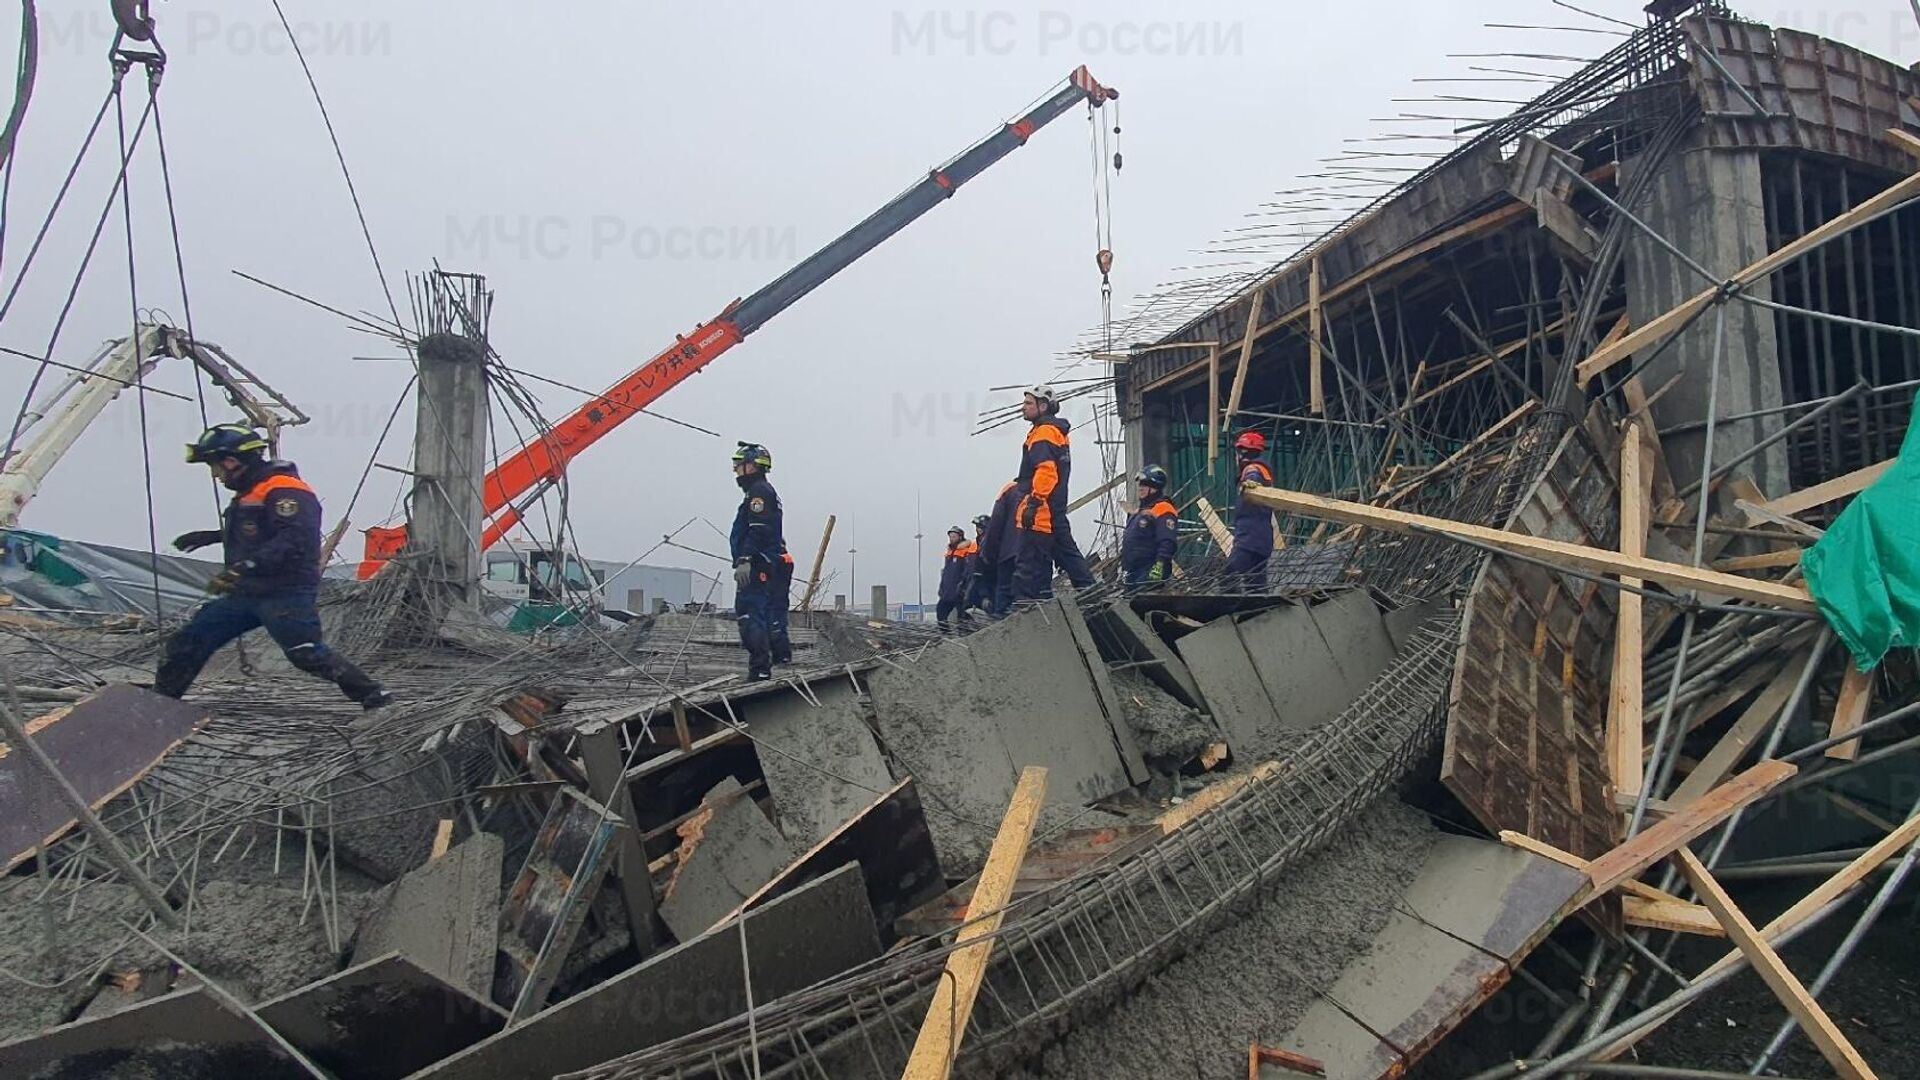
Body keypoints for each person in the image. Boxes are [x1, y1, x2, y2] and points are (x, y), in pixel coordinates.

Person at [157, 424, 391, 708]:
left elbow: (294, 539)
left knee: (305, 653)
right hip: (247, 592)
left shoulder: (284, 490)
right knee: (191, 640)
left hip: (284, 594)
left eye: (216, 466)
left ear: (233, 461)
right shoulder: (252, 491)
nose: (216, 475)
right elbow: (258, 531)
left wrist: (245, 565)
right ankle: (161, 703)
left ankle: (373, 696)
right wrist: (213, 537)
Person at [1010, 385, 1094, 603]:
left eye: (1029, 403)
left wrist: (1033, 503)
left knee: (1030, 568)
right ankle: (1093, 597)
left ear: (1043, 406)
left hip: (1041, 512)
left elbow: (1046, 471)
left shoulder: (1044, 433)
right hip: (1053, 509)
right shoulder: (1055, 432)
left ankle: (1031, 614)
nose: (1023, 408)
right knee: (1069, 557)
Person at [729, 441, 786, 680]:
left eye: (739, 466)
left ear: (751, 466)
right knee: (757, 613)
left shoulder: (759, 492)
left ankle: (760, 670)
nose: (736, 471)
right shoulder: (762, 491)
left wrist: (745, 558)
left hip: (756, 563)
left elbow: (758, 529)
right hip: (762, 561)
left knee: (750, 614)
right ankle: (762, 666)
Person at [1227, 430, 1274, 592]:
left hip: (1250, 539)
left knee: (1228, 572)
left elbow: (1253, 482)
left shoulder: (1252, 469)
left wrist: (1249, 484)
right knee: (1256, 585)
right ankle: (1259, 612)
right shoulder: (1263, 469)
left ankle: (1227, 610)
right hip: (1262, 539)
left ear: (1243, 453)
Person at [1120, 465, 1178, 589]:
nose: (1140, 487)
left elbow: (1167, 541)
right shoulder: (1141, 511)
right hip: (1134, 572)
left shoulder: (1163, 508)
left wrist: (1160, 565)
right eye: (1140, 484)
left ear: (1154, 487)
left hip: (1149, 571)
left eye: (1144, 484)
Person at [975, 482, 1021, 616]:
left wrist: (989, 555)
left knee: (1005, 595)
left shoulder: (1010, 492)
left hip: (1006, 559)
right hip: (1019, 554)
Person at [934, 526, 977, 631]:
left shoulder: (966, 551)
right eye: (950, 536)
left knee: (962, 615)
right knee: (941, 612)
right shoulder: (949, 553)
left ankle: (966, 633)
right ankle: (946, 634)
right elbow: (946, 572)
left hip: (959, 590)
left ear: (960, 537)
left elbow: (968, 570)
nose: (951, 539)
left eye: (954, 536)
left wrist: (964, 585)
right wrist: (942, 587)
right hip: (948, 591)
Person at [964, 513, 994, 613]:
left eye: (980, 527)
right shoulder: (976, 544)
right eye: (977, 527)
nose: (978, 529)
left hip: (987, 580)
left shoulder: (991, 543)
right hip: (976, 580)